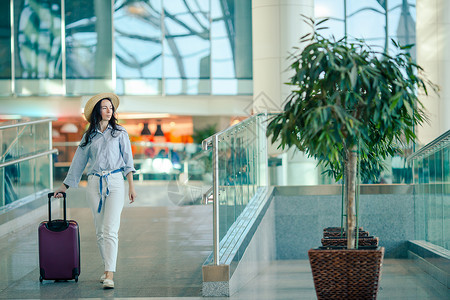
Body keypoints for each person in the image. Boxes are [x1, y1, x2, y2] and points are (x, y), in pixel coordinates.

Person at [54, 92, 137, 289]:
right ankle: (107, 266)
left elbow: (128, 162)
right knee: (100, 231)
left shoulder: (120, 133)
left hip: (115, 182)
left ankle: (110, 273)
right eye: (105, 107)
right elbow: (78, 163)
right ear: (97, 111)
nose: (109, 111)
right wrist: (64, 187)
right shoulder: (88, 136)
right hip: (94, 184)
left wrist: (131, 186)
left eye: (111, 108)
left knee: (110, 228)